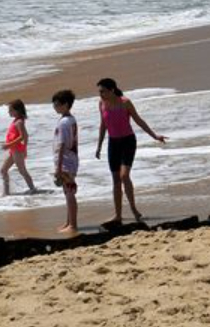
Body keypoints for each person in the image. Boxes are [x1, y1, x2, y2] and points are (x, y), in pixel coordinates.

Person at [95, 78, 167, 223]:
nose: (100, 94)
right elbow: (103, 125)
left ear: (112, 90)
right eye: (99, 92)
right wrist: (99, 146)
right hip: (113, 143)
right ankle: (118, 215)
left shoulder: (125, 102)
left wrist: (154, 136)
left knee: (124, 175)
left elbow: (138, 120)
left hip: (128, 142)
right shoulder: (101, 104)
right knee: (115, 180)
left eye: (103, 91)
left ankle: (134, 209)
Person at [51, 89, 79, 234]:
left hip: (66, 161)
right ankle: (69, 222)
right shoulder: (71, 119)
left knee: (69, 192)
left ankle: (73, 224)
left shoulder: (63, 123)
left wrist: (58, 167)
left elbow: (61, 145)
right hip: (71, 159)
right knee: (68, 191)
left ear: (66, 104)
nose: (54, 107)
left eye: (56, 104)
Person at [0, 99, 38, 196]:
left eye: (11, 110)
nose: (9, 112)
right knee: (3, 170)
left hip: (17, 150)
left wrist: (9, 145)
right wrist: (23, 148)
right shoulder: (16, 121)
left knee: (22, 171)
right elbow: (26, 136)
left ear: (18, 110)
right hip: (14, 150)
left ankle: (33, 189)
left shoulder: (19, 122)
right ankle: (6, 193)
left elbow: (23, 136)